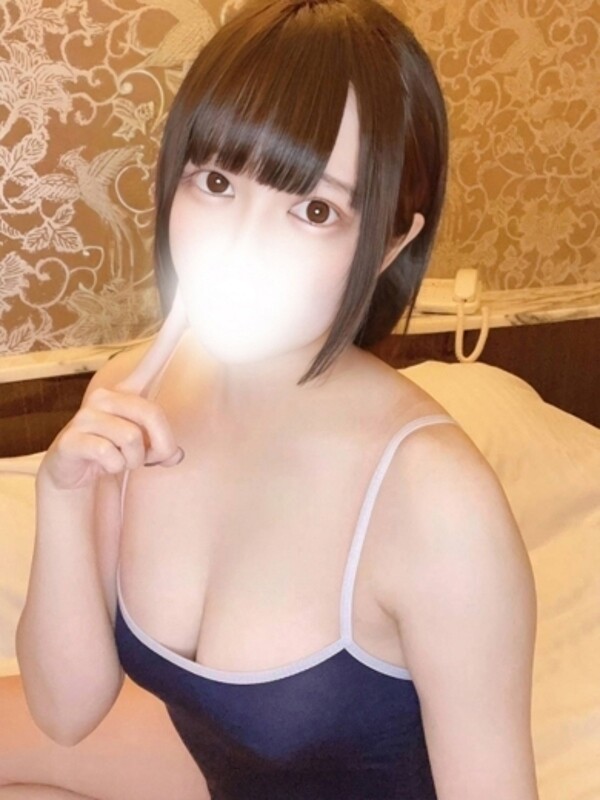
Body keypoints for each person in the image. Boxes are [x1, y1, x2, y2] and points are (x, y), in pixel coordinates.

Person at [0, 0, 539, 797]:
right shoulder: (130, 391)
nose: (241, 243)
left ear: (390, 243)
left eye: (314, 210)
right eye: (217, 181)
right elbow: (67, 712)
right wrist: (63, 497)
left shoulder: (436, 501)